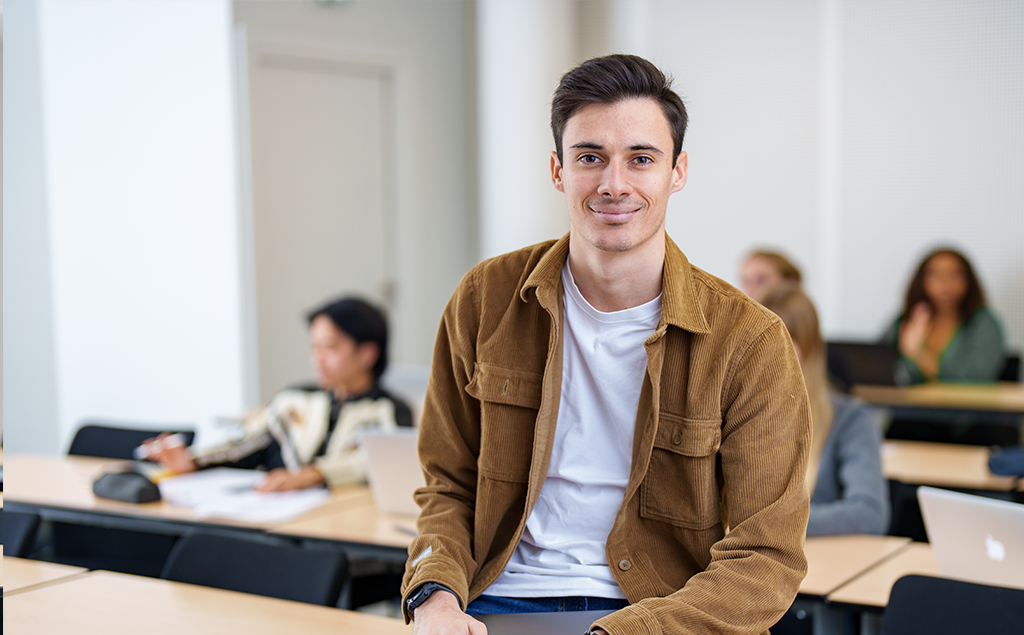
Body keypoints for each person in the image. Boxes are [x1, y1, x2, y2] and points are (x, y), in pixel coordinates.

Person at [401, 54, 811, 635]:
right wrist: (434, 596)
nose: (613, 183)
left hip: (664, 617)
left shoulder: (749, 342)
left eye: (640, 159)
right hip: (496, 606)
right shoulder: (484, 300)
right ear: (557, 170)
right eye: (589, 157)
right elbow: (448, 485)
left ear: (678, 171)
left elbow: (765, 559)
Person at [148, 296, 413, 491]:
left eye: (330, 347)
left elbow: (374, 465)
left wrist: (314, 474)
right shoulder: (294, 399)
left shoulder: (390, 409)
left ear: (367, 353)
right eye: (314, 347)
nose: (318, 359)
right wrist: (193, 460)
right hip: (287, 521)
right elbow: (248, 443)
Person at [759, 283, 888, 536]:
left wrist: (772, 525)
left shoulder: (852, 420)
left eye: (786, 340)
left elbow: (869, 514)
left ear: (811, 349)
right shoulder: (735, 418)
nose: (769, 354)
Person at [881, 247, 1006, 385]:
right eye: (936, 275)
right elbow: (876, 365)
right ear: (922, 280)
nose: (946, 283)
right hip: (905, 404)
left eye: (955, 275)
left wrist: (919, 356)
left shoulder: (984, 323)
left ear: (968, 280)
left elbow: (975, 378)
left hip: (963, 405)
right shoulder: (907, 319)